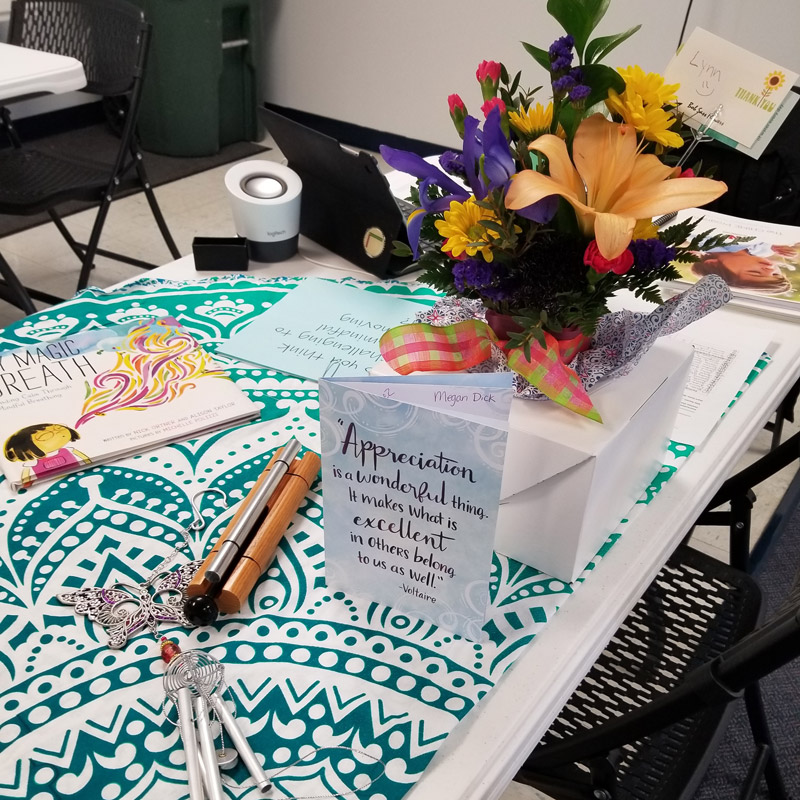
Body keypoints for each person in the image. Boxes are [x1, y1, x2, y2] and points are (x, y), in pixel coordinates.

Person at [3, 423, 91, 486]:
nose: (58, 433)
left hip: (79, 473)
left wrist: (89, 464)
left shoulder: (68, 450)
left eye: (58, 428)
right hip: (48, 483)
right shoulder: (33, 463)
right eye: (45, 435)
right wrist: (26, 483)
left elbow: (85, 459)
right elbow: (26, 476)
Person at [690, 245, 794, 295]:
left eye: (755, 272)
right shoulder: (765, 249)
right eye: (775, 274)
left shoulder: (704, 242)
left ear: (713, 264)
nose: (770, 268)